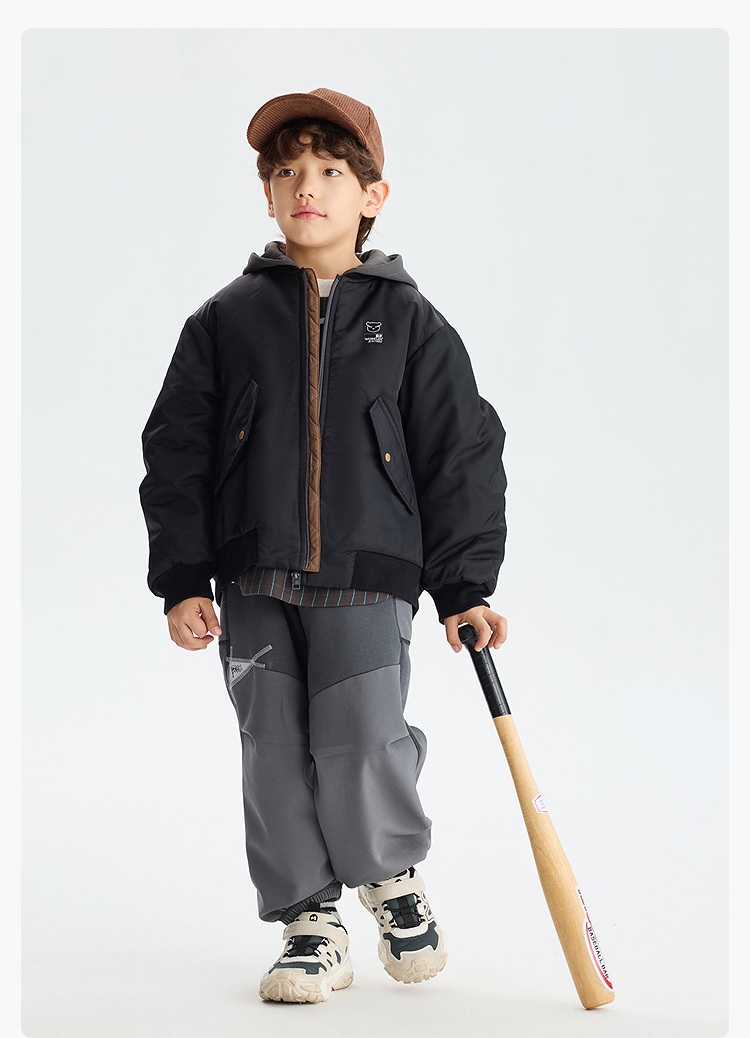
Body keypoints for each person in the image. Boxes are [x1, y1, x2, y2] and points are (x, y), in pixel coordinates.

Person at [138, 87, 508, 1004]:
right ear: (267, 195)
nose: (307, 186)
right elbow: (177, 451)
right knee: (271, 745)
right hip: (254, 576)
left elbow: (461, 453)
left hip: (368, 576)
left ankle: (389, 877)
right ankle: (309, 921)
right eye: (288, 171)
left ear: (372, 195)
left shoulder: (412, 323)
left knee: (363, 736)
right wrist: (183, 576)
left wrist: (464, 585)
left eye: (331, 171)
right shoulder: (225, 320)